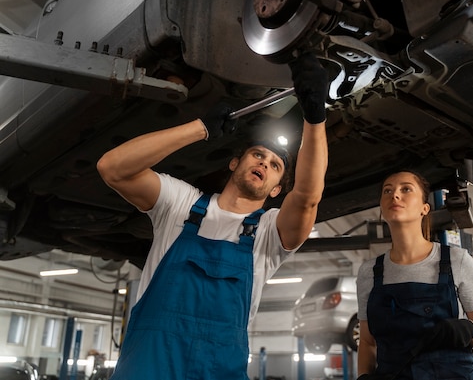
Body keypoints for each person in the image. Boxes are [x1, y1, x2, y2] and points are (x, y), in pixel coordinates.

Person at [96, 52, 329, 380]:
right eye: (257, 155)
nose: (263, 163)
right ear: (234, 163)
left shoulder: (267, 233)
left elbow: (307, 198)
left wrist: (314, 117)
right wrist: (199, 128)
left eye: (275, 165)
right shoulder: (180, 204)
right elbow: (112, 168)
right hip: (149, 366)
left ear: (277, 190)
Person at [356, 170, 473, 380]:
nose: (394, 195)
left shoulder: (456, 261)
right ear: (381, 210)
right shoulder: (369, 272)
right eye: (388, 190)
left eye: (406, 189)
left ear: (425, 208)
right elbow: (368, 342)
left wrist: (469, 330)